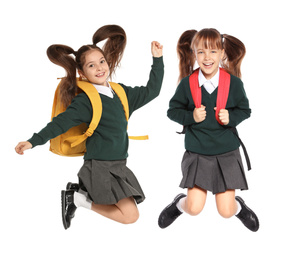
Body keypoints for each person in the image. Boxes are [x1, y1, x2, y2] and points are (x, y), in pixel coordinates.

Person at [15, 25, 164, 230]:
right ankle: (76, 199)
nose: (100, 68)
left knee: (130, 213)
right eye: (91, 66)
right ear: (81, 72)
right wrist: (32, 141)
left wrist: (158, 59)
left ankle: (77, 194)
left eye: (101, 61)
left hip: (119, 165)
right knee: (130, 216)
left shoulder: (121, 93)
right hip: (100, 167)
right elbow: (60, 123)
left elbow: (152, 91)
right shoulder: (85, 102)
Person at [158, 28, 259, 232]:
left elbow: (245, 110)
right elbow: (172, 111)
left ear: (222, 53)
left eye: (213, 51)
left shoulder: (234, 84)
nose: (207, 57)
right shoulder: (188, 84)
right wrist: (191, 117)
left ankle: (239, 207)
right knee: (194, 208)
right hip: (198, 153)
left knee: (226, 211)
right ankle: (179, 203)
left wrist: (231, 117)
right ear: (194, 54)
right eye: (201, 52)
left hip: (227, 153)